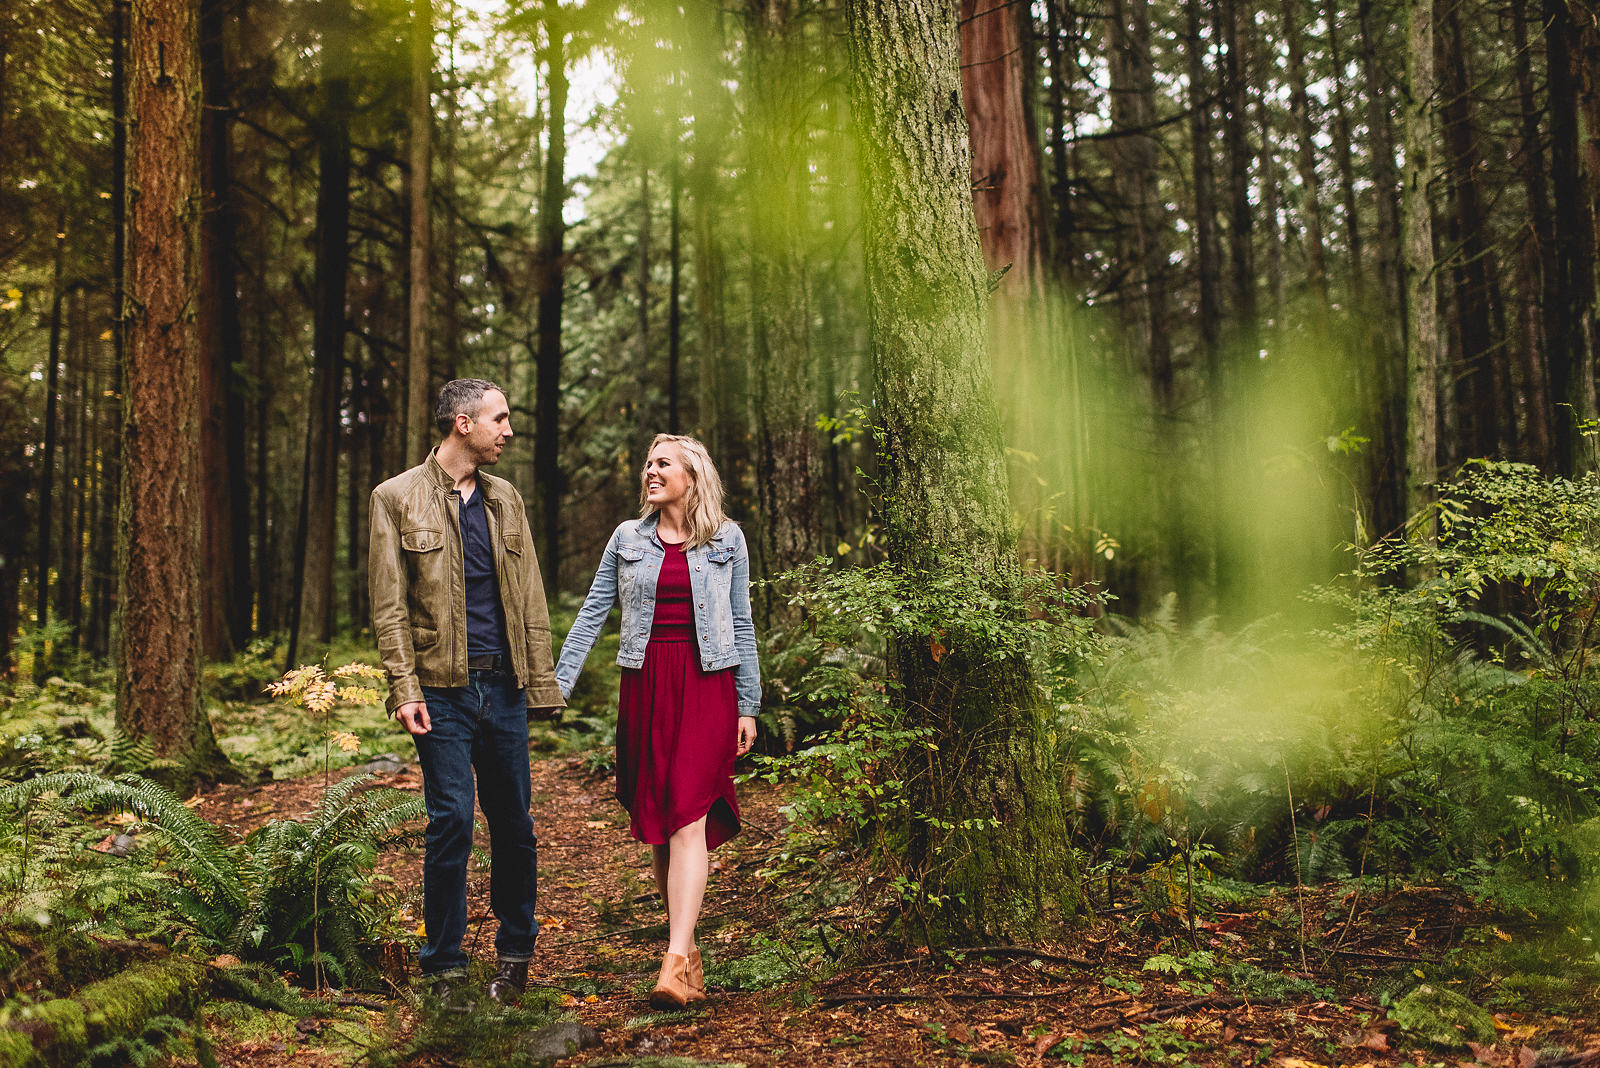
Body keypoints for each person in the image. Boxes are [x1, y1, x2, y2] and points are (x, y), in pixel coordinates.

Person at [368, 378, 564, 1006]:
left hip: (503, 688)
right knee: (450, 820)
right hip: (441, 690)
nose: (508, 431)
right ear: (462, 423)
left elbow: (529, 595)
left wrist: (541, 683)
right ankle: (444, 966)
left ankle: (515, 955)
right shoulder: (395, 497)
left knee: (514, 824)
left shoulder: (506, 499)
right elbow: (389, 605)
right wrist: (404, 688)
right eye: (499, 419)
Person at [556, 434, 760, 1007]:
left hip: (706, 683)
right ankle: (688, 956)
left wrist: (749, 704)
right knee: (662, 818)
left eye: (661, 464)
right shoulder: (627, 538)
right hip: (645, 686)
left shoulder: (728, 539)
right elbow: (594, 611)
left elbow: (742, 623)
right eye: (647, 463)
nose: (650, 471)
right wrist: (557, 684)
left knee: (688, 817)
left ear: (691, 475)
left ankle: (671, 963)